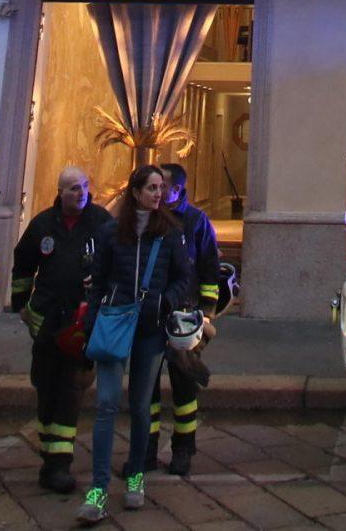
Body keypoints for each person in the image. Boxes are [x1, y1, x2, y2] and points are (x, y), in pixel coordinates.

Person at [78, 165, 193, 525]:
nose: (159, 194)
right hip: (114, 324)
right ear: (136, 192)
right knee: (107, 405)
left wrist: (165, 301)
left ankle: (135, 476)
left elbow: (182, 277)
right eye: (152, 188)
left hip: (150, 329)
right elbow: (98, 282)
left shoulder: (170, 233)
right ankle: (97, 489)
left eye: (161, 188)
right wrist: (92, 321)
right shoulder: (112, 233)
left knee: (142, 406)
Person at [10, 165, 112, 494]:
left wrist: (102, 281)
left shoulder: (102, 223)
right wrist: (21, 305)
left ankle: (59, 462)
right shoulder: (42, 225)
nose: (80, 193)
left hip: (81, 321)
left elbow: (118, 262)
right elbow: (23, 264)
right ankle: (48, 446)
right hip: (46, 321)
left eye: (83, 186)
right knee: (45, 385)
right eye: (72, 188)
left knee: (71, 389)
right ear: (59, 191)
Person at [147, 161, 223, 478]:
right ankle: (146, 450)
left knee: (184, 385)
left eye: (164, 187)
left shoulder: (195, 221)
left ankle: (183, 449)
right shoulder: (150, 218)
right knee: (146, 388)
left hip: (185, 315)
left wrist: (206, 314)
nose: (159, 192)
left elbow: (209, 269)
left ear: (178, 189)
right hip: (151, 312)